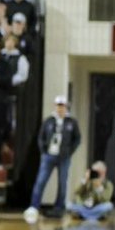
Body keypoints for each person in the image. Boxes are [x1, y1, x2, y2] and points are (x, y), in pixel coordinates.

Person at [24, 95, 81, 223]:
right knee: (41, 180)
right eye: (58, 106)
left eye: (62, 106)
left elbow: (77, 139)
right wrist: (43, 151)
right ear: (55, 107)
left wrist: (69, 151)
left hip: (64, 157)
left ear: (66, 107)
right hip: (49, 156)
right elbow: (41, 137)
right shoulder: (49, 121)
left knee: (62, 182)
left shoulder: (71, 122)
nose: (60, 108)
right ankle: (34, 206)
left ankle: (59, 207)